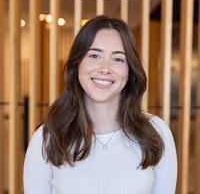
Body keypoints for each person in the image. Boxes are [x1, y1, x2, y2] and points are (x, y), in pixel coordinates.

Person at [23, 15, 177, 194]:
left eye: (118, 59)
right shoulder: (47, 138)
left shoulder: (156, 133)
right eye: (95, 55)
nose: (105, 68)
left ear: (130, 71)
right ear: (77, 63)